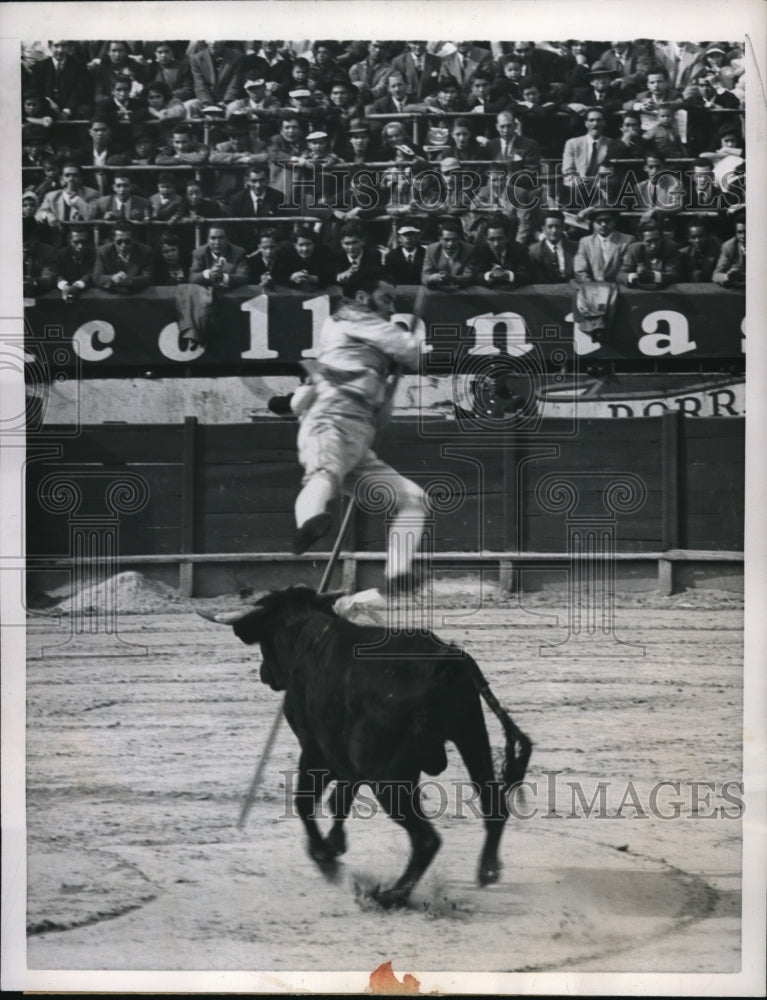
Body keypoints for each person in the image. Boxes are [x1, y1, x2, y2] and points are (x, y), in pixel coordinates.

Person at [292, 268, 426, 596]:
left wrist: (386, 395)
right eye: (386, 299)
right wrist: (414, 349)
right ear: (364, 299)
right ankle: (308, 524)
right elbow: (407, 348)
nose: (391, 308)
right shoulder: (350, 316)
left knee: (414, 499)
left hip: (359, 435)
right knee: (325, 472)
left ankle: (397, 571)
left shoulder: (371, 351)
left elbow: (381, 417)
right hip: (330, 418)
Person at [29, 39, 93, 119]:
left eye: (64, 46)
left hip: (71, 108)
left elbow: (79, 91)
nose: (60, 50)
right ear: (50, 47)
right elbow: (35, 90)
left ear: (68, 47)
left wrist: (67, 110)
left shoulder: (78, 66)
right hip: (46, 108)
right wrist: (49, 103)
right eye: (56, 46)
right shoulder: (40, 67)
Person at [469, 217, 532, 288]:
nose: (496, 244)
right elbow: (476, 275)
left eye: (500, 239)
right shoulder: (479, 250)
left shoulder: (520, 250)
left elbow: (526, 276)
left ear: (507, 238)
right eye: (491, 239)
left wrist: (507, 274)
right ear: (486, 239)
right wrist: (490, 275)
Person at [92, 221, 154, 294]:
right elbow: (96, 278)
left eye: (127, 241)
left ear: (134, 239)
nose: (123, 246)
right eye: (119, 242)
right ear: (113, 239)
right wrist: (113, 279)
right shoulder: (103, 252)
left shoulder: (146, 251)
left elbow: (148, 277)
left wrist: (131, 281)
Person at [618, 218, 681, 288]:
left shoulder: (671, 247)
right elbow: (620, 274)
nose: (653, 245)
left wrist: (653, 276)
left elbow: (674, 275)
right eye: (649, 241)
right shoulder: (634, 249)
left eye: (656, 240)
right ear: (641, 240)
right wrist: (631, 277)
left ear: (661, 238)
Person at [189, 223, 250, 290]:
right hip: (207, 295)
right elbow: (192, 278)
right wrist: (209, 274)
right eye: (213, 238)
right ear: (207, 239)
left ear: (227, 239)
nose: (217, 242)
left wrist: (223, 277)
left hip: (231, 294)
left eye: (221, 238)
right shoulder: (199, 253)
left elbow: (244, 277)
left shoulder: (239, 252)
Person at [421, 219, 475, 291]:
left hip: (462, 293)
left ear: (459, 239)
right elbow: (425, 276)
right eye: (446, 240)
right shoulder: (432, 250)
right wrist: (433, 278)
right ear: (440, 239)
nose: (450, 244)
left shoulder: (469, 250)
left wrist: (452, 278)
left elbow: (469, 277)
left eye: (454, 239)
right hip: (438, 293)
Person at [528, 208, 578, 282]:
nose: (554, 230)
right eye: (550, 227)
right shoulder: (534, 252)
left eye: (558, 226)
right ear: (543, 229)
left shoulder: (575, 248)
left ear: (563, 227)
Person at [54, 224, 97, 301]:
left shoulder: (94, 254)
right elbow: (57, 274)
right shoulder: (60, 255)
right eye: (76, 242)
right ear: (69, 241)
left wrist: (77, 286)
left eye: (84, 242)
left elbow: (92, 274)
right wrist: (65, 286)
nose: (80, 246)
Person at [712, 212, 745, 289]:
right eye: (740, 232)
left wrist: (743, 276)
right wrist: (728, 276)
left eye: (747, 232)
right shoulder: (729, 247)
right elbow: (716, 275)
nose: (743, 236)